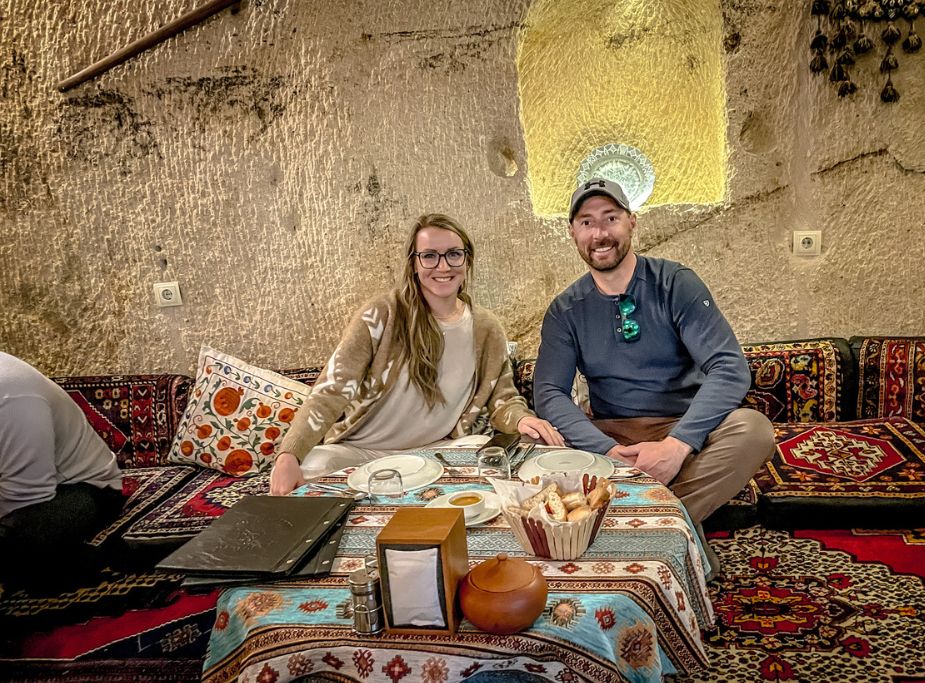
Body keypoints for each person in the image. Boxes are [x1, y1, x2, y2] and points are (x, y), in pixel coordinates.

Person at [534, 178, 775, 529]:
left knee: (754, 431)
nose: (599, 233)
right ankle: (669, 522)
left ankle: (644, 525)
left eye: (610, 218)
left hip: (681, 425)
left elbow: (729, 367)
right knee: (532, 438)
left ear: (632, 221)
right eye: (587, 222)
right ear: (572, 232)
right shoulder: (565, 310)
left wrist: (677, 446)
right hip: (609, 433)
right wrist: (608, 451)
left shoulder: (675, 283)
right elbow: (548, 392)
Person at [271, 214, 563, 496]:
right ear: (414, 263)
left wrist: (523, 420)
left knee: (502, 453)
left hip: (438, 451)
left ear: (467, 260)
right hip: (361, 453)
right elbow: (331, 390)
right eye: (429, 256)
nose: (443, 266)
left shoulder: (486, 328)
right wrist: (289, 454)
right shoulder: (381, 315)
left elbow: (503, 400)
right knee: (312, 466)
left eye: (453, 254)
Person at [0, 352, 124, 587]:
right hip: (19, 492)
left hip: (79, 490)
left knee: (23, 543)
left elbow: (26, 496)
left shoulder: (13, 396)